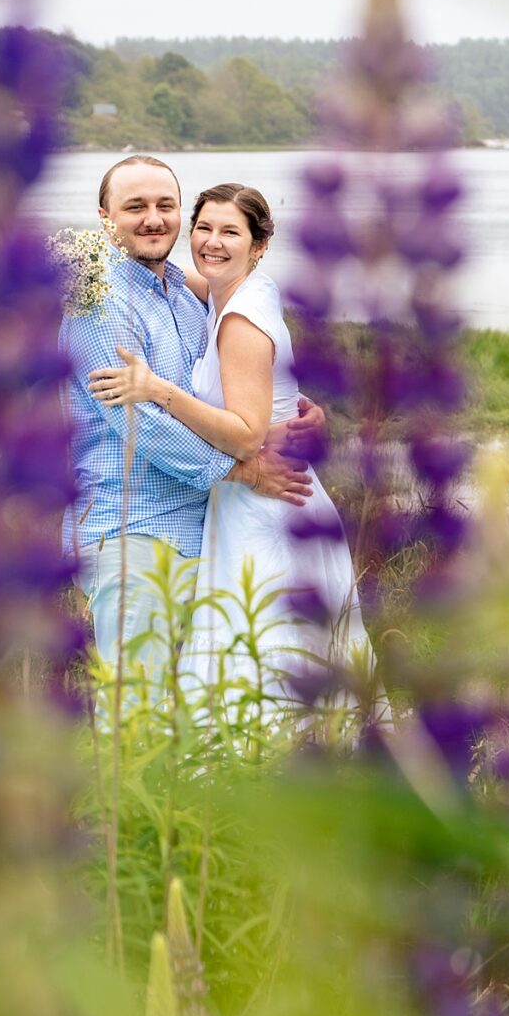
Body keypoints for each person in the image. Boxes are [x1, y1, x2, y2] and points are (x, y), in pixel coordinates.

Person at [85, 182, 370, 710]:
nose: (212, 242)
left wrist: (159, 390)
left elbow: (246, 434)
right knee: (242, 668)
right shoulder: (210, 292)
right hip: (207, 514)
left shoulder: (236, 313)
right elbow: (160, 278)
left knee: (263, 664)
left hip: (265, 509)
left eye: (230, 232)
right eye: (204, 228)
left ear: (259, 246)